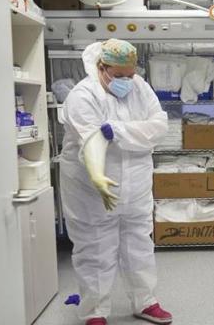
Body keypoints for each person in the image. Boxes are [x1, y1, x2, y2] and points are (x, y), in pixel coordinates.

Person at [60, 39, 171, 325]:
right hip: (92, 188)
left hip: (136, 184)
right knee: (95, 247)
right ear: (102, 67)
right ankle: (95, 311)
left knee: (139, 245)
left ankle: (145, 302)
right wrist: (97, 175)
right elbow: (92, 141)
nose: (125, 81)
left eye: (129, 74)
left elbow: (159, 126)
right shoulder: (82, 96)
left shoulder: (140, 88)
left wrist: (118, 131)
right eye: (118, 75)